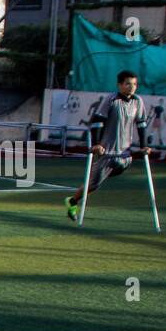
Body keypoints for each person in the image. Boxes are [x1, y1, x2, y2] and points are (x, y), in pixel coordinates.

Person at [67, 70, 149, 220]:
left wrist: (144, 145)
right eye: (128, 84)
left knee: (117, 169)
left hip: (124, 154)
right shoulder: (111, 100)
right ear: (119, 85)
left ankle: (99, 176)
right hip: (108, 152)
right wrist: (97, 144)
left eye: (135, 84)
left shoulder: (138, 101)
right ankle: (72, 201)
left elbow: (141, 124)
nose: (132, 87)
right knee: (93, 185)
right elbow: (97, 121)